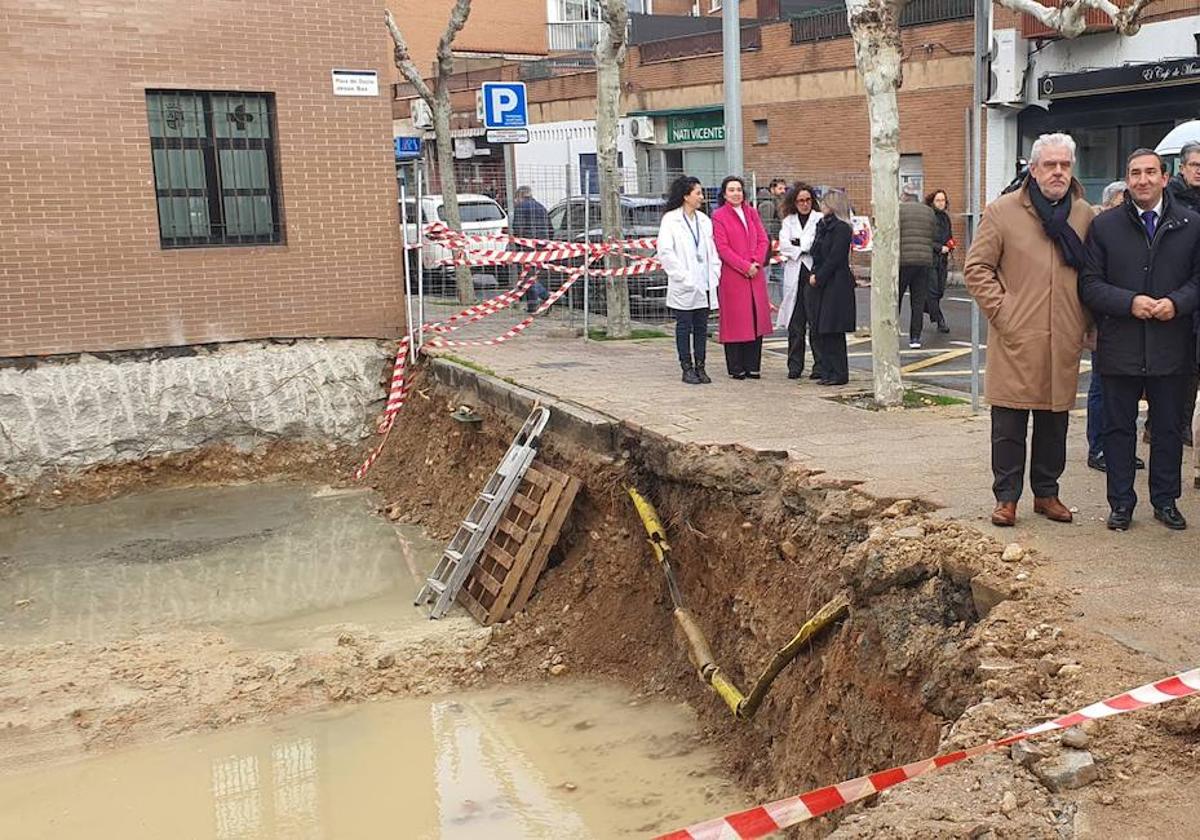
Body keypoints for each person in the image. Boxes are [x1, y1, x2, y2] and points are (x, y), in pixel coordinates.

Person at [965, 132, 1093, 528]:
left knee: (1054, 422)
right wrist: (1005, 313)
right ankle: (1006, 498)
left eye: (1064, 165)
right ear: (1033, 169)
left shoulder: (1084, 214)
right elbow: (977, 268)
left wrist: (1084, 323)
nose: (1058, 172)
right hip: (1016, 336)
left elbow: (1092, 275)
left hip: (1063, 337)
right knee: (1009, 423)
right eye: (1050, 165)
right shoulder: (1003, 211)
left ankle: (1046, 493)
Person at [1079, 148, 1200, 531]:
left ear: (1165, 178)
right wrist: (1129, 302)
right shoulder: (1105, 226)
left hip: (1171, 342)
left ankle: (1166, 501)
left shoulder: (1191, 224)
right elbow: (1089, 284)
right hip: (1120, 343)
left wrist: (1175, 304)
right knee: (1118, 429)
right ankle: (1121, 503)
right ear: (1127, 179)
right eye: (1135, 173)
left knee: (1166, 428)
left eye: (1150, 172)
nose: (1143, 180)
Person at [1085, 181, 1146, 473]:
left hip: (1128, 325)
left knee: (1124, 397)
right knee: (1100, 389)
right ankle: (1098, 447)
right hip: (1105, 322)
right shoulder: (1100, 230)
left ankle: (1119, 450)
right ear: (1109, 204)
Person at [657, 176, 721, 385]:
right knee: (684, 326)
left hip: (703, 282)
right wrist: (683, 277)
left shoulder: (704, 220)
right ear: (686, 196)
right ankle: (686, 366)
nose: (701, 197)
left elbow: (711, 250)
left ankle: (701, 366)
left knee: (702, 326)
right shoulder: (671, 220)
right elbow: (666, 252)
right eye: (698, 193)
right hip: (683, 282)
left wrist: (715, 272)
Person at [712, 175, 772, 379]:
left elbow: (763, 239)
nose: (736, 193)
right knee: (736, 321)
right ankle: (736, 366)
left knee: (755, 319)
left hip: (755, 274)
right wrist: (744, 266)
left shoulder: (752, 213)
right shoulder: (719, 216)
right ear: (724, 194)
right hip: (734, 276)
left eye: (738, 189)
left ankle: (753, 365)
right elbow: (723, 248)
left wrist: (756, 261)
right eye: (731, 190)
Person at [1166, 142, 1200, 450]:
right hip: (1175, 292)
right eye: (1195, 165)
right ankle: (1166, 425)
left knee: (1192, 367)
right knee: (1178, 365)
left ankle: (1183, 425)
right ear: (1182, 168)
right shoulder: (1172, 198)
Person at [809, 189, 856, 386]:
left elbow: (835, 257)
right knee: (822, 328)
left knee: (834, 328)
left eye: (824, 202)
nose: (821, 206)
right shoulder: (822, 226)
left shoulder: (842, 228)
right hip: (822, 282)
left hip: (837, 283)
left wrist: (819, 276)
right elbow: (817, 252)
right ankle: (826, 370)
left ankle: (839, 372)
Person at [775, 183, 821, 380]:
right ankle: (795, 366)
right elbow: (784, 245)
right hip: (795, 274)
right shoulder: (789, 221)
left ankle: (819, 366)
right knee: (796, 324)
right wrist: (802, 247)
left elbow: (816, 244)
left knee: (816, 322)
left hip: (812, 274)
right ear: (794, 202)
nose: (804, 204)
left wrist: (799, 244)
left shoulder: (819, 219)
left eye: (808, 200)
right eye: (800, 201)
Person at [899, 184, 936, 348]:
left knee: (896, 298)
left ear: (905, 196)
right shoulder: (928, 212)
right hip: (924, 261)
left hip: (903, 260)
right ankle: (915, 337)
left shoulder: (899, 210)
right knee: (918, 301)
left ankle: (892, 331)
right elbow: (933, 234)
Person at [511, 186, 551, 312]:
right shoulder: (541, 207)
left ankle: (546, 297)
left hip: (527, 246)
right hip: (541, 246)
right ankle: (532, 305)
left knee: (527, 276)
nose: (515, 201)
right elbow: (550, 227)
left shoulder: (520, 207)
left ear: (520, 196)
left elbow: (518, 228)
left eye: (516, 198)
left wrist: (518, 244)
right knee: (532, 274)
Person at [924, 189, 954, 334]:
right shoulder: (929, 217)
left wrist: (950, 243)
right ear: (932, 202)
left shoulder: (945, 218)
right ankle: (940, 320)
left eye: (943, 200)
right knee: (933, 291)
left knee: (940, 290)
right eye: (938, 200)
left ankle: (927, 307)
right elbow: (925, 239)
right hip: (930, 259)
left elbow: (949, 235)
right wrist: (938, 248)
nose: (941, 203)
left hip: (943, 259)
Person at [758, 178, 788, 302]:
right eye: (780, 188)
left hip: (776, 242)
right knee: (775, 274)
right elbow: (766, 226)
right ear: (772, 189)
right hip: (772, 243)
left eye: (784, 189)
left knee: (777, 274)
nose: (783, 191)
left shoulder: (779, 203)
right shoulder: (769, 204)